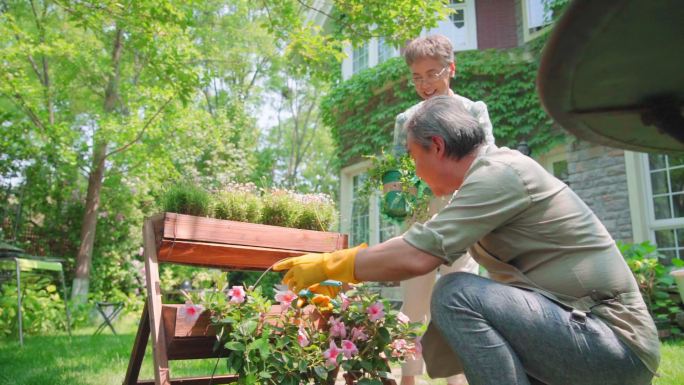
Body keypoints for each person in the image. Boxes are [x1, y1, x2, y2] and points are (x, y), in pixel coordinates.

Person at [274, 95, 660, 385]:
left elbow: (417, 255)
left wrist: (330, 265)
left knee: (456, 291)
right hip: (577, 331)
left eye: (413, 157)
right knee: (462, 291)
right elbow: (417, 240)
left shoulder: (500, 174)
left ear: (437, 146)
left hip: (614, 344)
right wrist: (340, 261)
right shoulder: (483, 180)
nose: (414, 170)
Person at [391, 34, 495, 385]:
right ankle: (408, 378)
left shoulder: (473, 111)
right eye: (417, 77)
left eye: (432, 74)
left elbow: (489, 162)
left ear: (451, 69)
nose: (424, 84)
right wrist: (398, 193)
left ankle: (458, 380)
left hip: (463, 219)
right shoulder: (406, 118)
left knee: (459, 305)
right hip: (418, 223)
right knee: (414, 307)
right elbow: (396, 172)